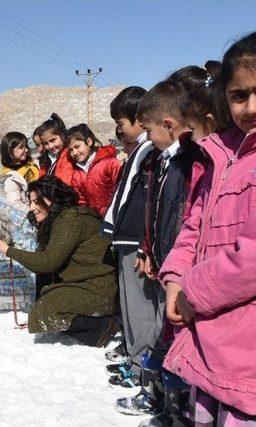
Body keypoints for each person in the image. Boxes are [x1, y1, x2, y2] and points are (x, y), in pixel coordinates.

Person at [161, 30, 256, 425]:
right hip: (213, 336)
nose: (252, 107)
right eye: (239, 96)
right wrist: (174, 276)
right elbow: (195, 224)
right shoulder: (226, 153)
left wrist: (193, 291)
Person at [115, 79, 198, 419]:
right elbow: (156, 211)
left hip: (180, 268)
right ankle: (161, 399)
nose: (146, 138)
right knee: (166, 335)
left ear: (168, 125)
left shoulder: (186, 162)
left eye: (148, 130)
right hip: (163, 259)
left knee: (172, 335)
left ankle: (172, 405)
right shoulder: (163, 160)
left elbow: (185, 217)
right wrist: (150, 250)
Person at [0, 176, 119, 346]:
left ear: (53, 198)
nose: (31, 208)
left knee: (44, 312)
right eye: (30, 202)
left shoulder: (71, 219)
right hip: (83, 285)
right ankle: (95, 328)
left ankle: (102, 325)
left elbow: (49, 262)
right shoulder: (57, 221)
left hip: (98, 289)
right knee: (42, 309)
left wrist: (7, 250)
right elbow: (42, 265)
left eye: (36, 202)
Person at [102, 86, 156, 387]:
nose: (118, 131)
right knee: (132, 308)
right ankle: (136, 362)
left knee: (140, 309)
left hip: (138, 241)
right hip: (129, 240)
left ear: (139, 119)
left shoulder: (149, 153)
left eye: (121, 124)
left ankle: (142, 370)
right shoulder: (140, 152)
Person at [66, 123, 122, 216]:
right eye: (71, 150)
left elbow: (121, 188)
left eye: (77, 146)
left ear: (89, 142)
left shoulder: (110, 163)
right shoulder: (77, 174)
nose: (74, 153)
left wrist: (107, 210)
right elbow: (81, 202)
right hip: (95, 220)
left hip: (116, 215)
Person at [0, 131, 39, 210]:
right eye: (21, 147)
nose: (26, 150)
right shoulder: (11, 178)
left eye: (26, 146)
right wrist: (36, 209)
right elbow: (15, 205)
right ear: (9, 151)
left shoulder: (33, 164)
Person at [37, 113, 75, 186]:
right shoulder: (46, 159)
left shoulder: (69, 155)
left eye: (53, 140)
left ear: (62, 135)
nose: (50, 146)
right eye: (45, 143)